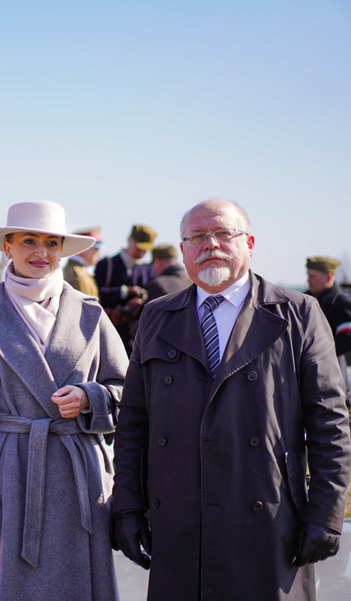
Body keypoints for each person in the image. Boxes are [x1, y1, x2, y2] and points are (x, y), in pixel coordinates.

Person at [112, 199, 351, 601]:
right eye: (198, 237)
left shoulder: (297, 313)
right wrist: (127, 508)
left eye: (224, 233)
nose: (212, 244)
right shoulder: (157, 315)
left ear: (250, 243)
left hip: (269, 520)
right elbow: (134, 420)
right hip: (177, 520)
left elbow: (330, 423)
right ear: (184, 249)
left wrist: (326, 516)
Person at [0, 201, 128, 601]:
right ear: (8, 247)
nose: (41, 253)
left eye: (51, 243)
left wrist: (88, 397)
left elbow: (129, 393)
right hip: (9, 479)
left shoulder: (90, 313)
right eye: (29, 241)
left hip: (79, 472)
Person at [95, 224, 157, 352]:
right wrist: (125, 292)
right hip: (107, 335)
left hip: (136, 341)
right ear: (129, 240)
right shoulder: (106, 264)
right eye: (138, 247)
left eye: (145, 250)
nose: (141, 253)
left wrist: (140, 302)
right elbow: (95, 294)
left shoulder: (149, 270)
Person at [305, 256, 351, 403]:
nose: (309, 280)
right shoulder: (303, 299)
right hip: (304, 371)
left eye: (313, 276)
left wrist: (317, 352)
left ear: (328, 277)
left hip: (331, 371)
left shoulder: (341, 303)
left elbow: (347, 339)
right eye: (308, 276)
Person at [62, 226, 103, 296]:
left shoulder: (77, 272)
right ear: (84, 248)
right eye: (96, 249)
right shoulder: (79, 276)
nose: (98, 254)